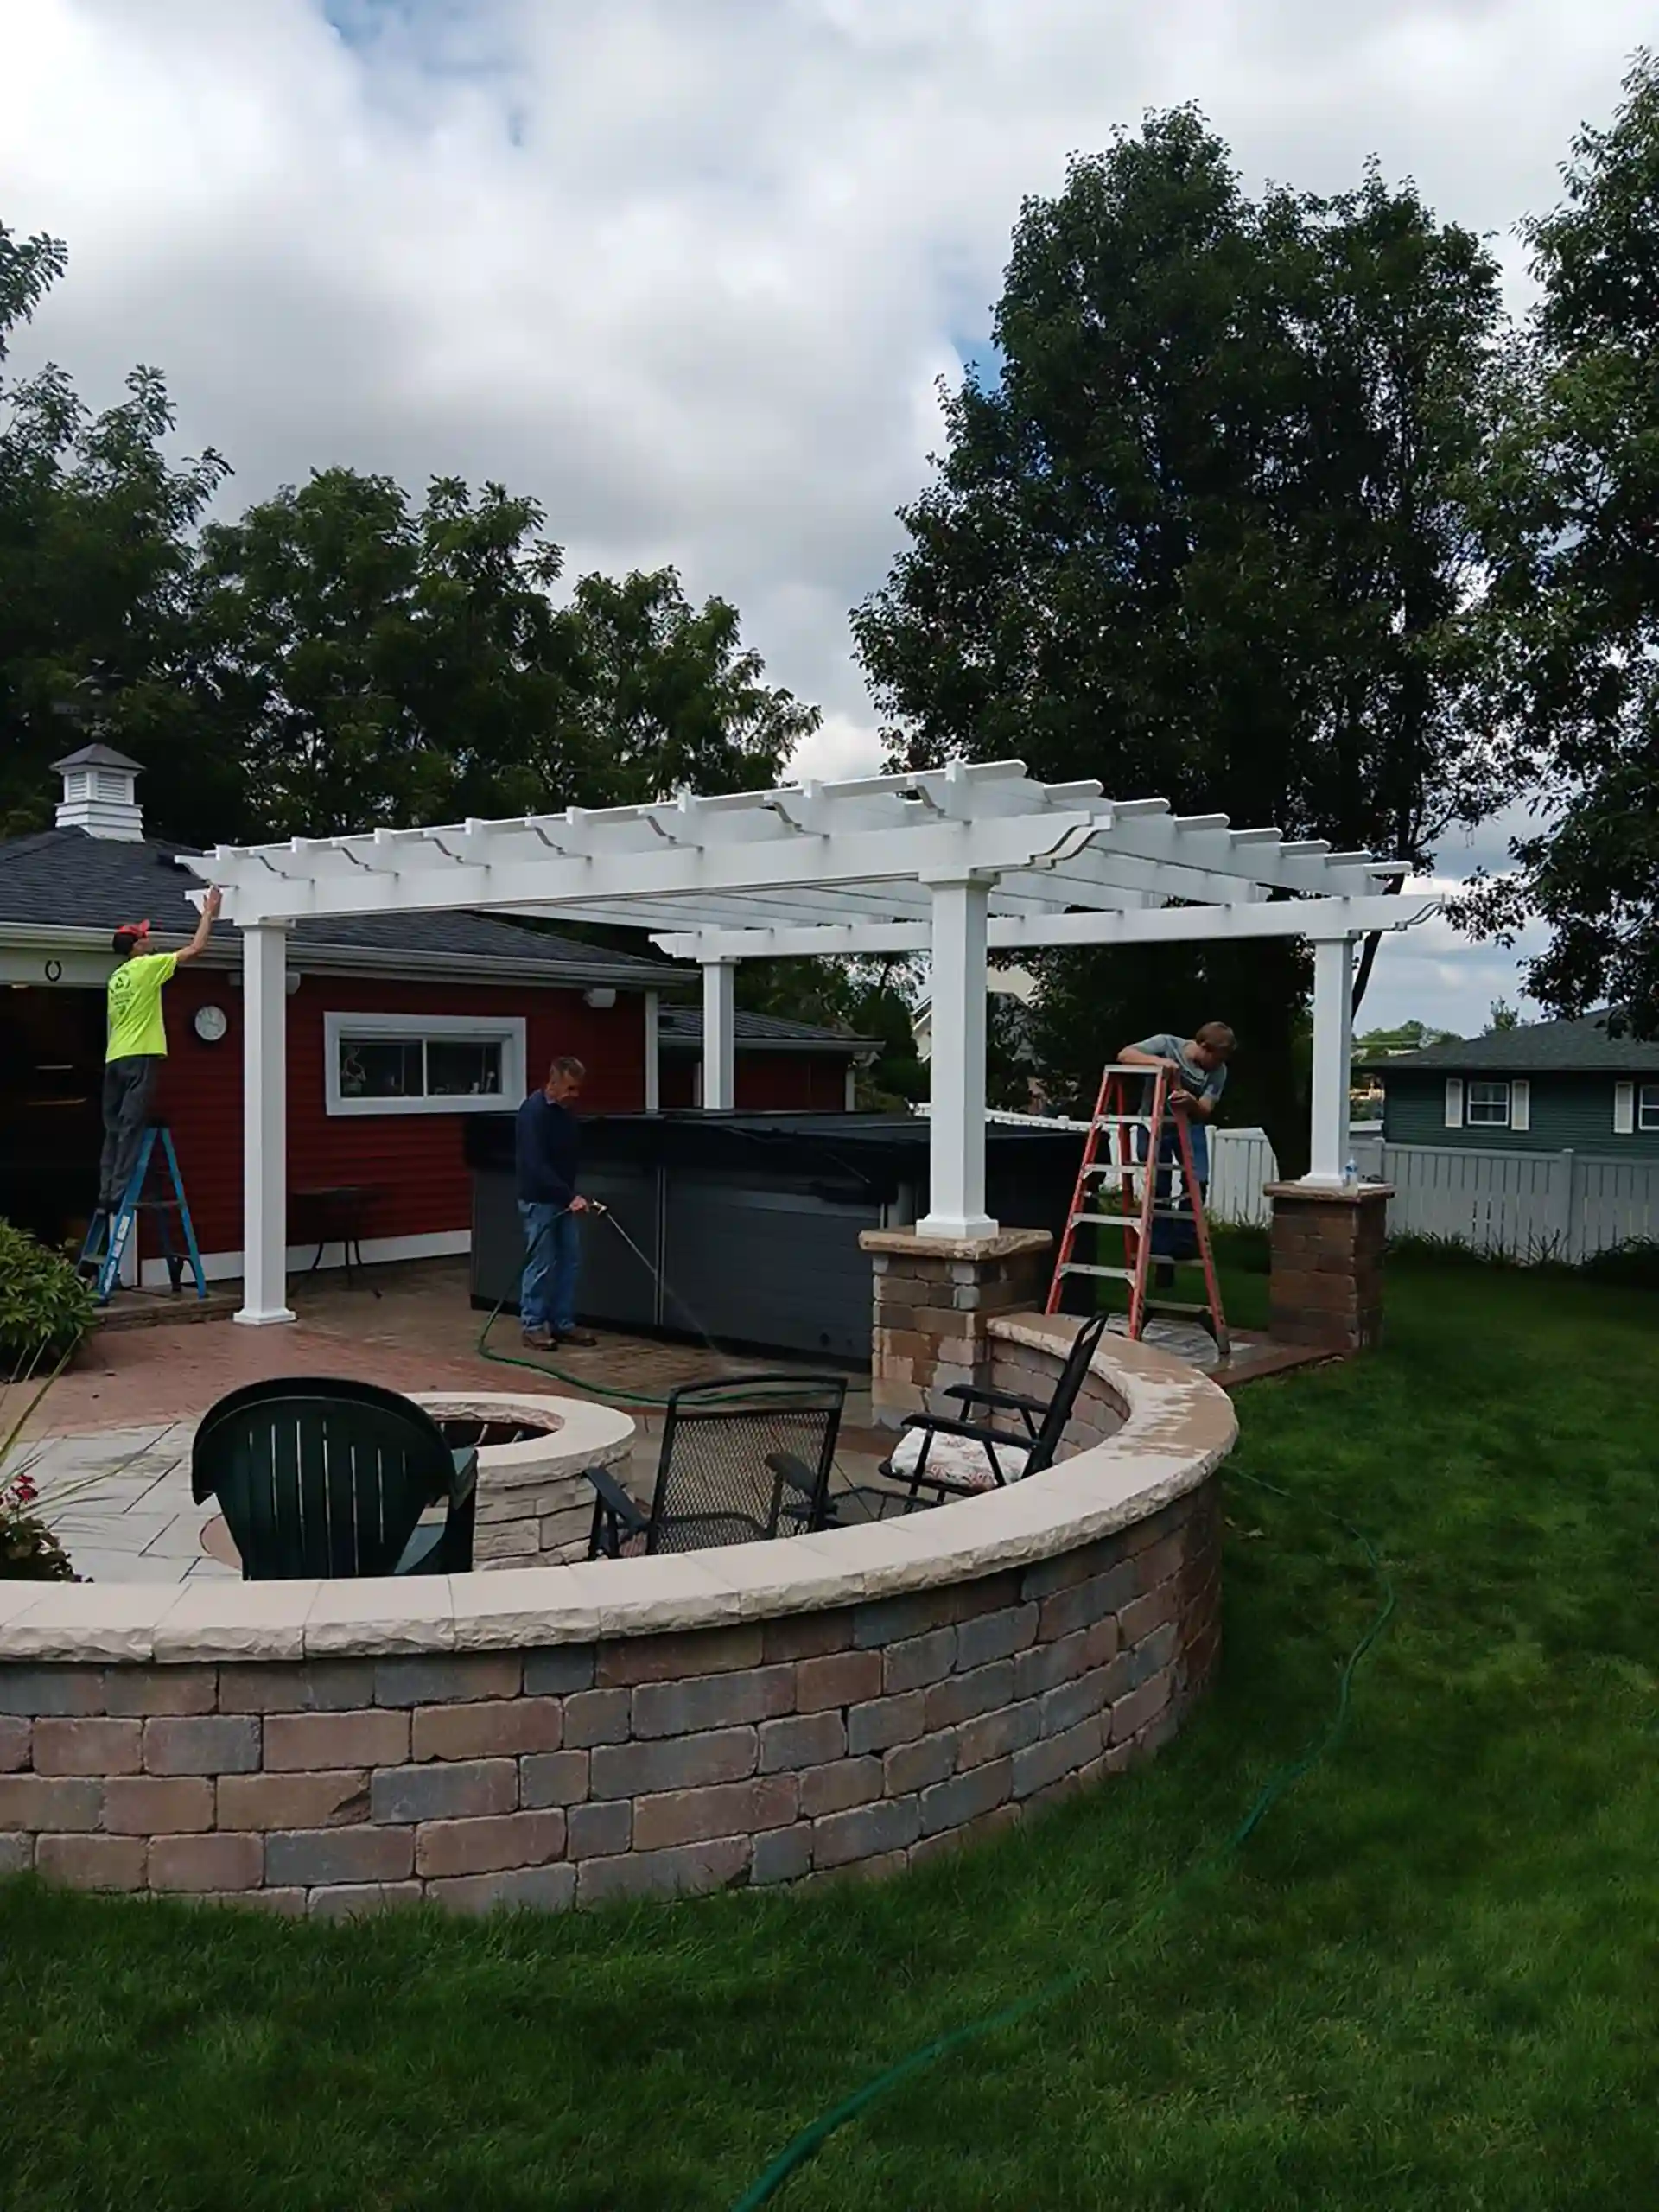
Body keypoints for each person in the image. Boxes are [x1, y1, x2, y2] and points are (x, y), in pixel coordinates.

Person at [98, 887, 221, 1217]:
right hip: (141, 1055)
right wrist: (208, 913)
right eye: (144, 936)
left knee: (113, 1128)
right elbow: (197, 949)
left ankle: (105, 1190)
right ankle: (118, 1194)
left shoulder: (116, 977)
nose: (149, 937)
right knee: (130, 1125)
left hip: (115, 1057)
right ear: (136, 946)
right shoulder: (146, 966)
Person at [1119, 1023, 1236, 1281]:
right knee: (1157, 1187)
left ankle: (1184, 1241)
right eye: (1217, 1057)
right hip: (1154, 1123)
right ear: (1204, 1047)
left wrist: (1192, 1103)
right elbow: (1125, 1055)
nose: (1219, 1064)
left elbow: (1206, 1108)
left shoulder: (1219, 1072)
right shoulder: (1167, 1044)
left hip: (1190, 1126)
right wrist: (1158, 1063)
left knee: (1198, 1180)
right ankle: (1161, 1251)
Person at [515, 1055, 599, 1350]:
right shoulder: (533, 1113)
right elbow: (536, 1164)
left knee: (569, 1260)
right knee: (541, 1263)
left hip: (563, 1198)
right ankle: (533, 1325)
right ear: (552, 1083)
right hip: (540, 1201)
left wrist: (570, 1194)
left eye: (577, 1089)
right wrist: (569, 1195)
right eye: (570, 1089)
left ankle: (562, 1324)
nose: (574, 1096)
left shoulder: (565, 1113)